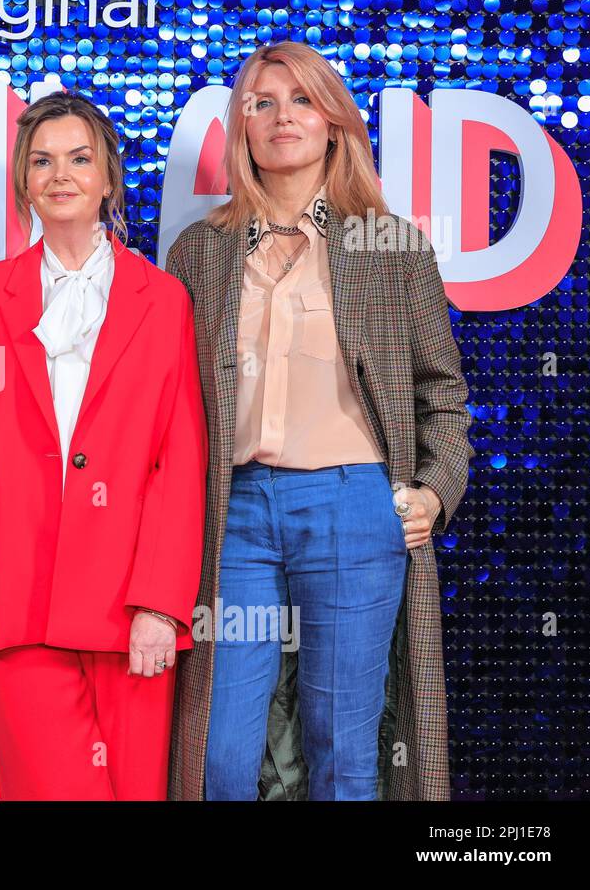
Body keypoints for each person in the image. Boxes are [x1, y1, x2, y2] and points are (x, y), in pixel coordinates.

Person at [165, 41, 474, 801]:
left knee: (343, 752)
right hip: (232, 515)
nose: (282, 118)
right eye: (262, 103)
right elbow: (168, 400)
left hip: (352, 508)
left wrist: (434, 493)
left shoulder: (390, 245)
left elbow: (444, 392)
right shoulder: (198, 251)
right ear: (242, 126)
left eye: (302, 100)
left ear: (334, 121)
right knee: (221, 753)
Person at [0, 90, 208, 800]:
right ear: (23, 180)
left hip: (129, 610)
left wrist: (162, 603)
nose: (60, 175)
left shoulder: (163, 298)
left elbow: (180, 458)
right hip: (16, 606)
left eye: (79, 159)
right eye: (42, 161)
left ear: (108, 176)